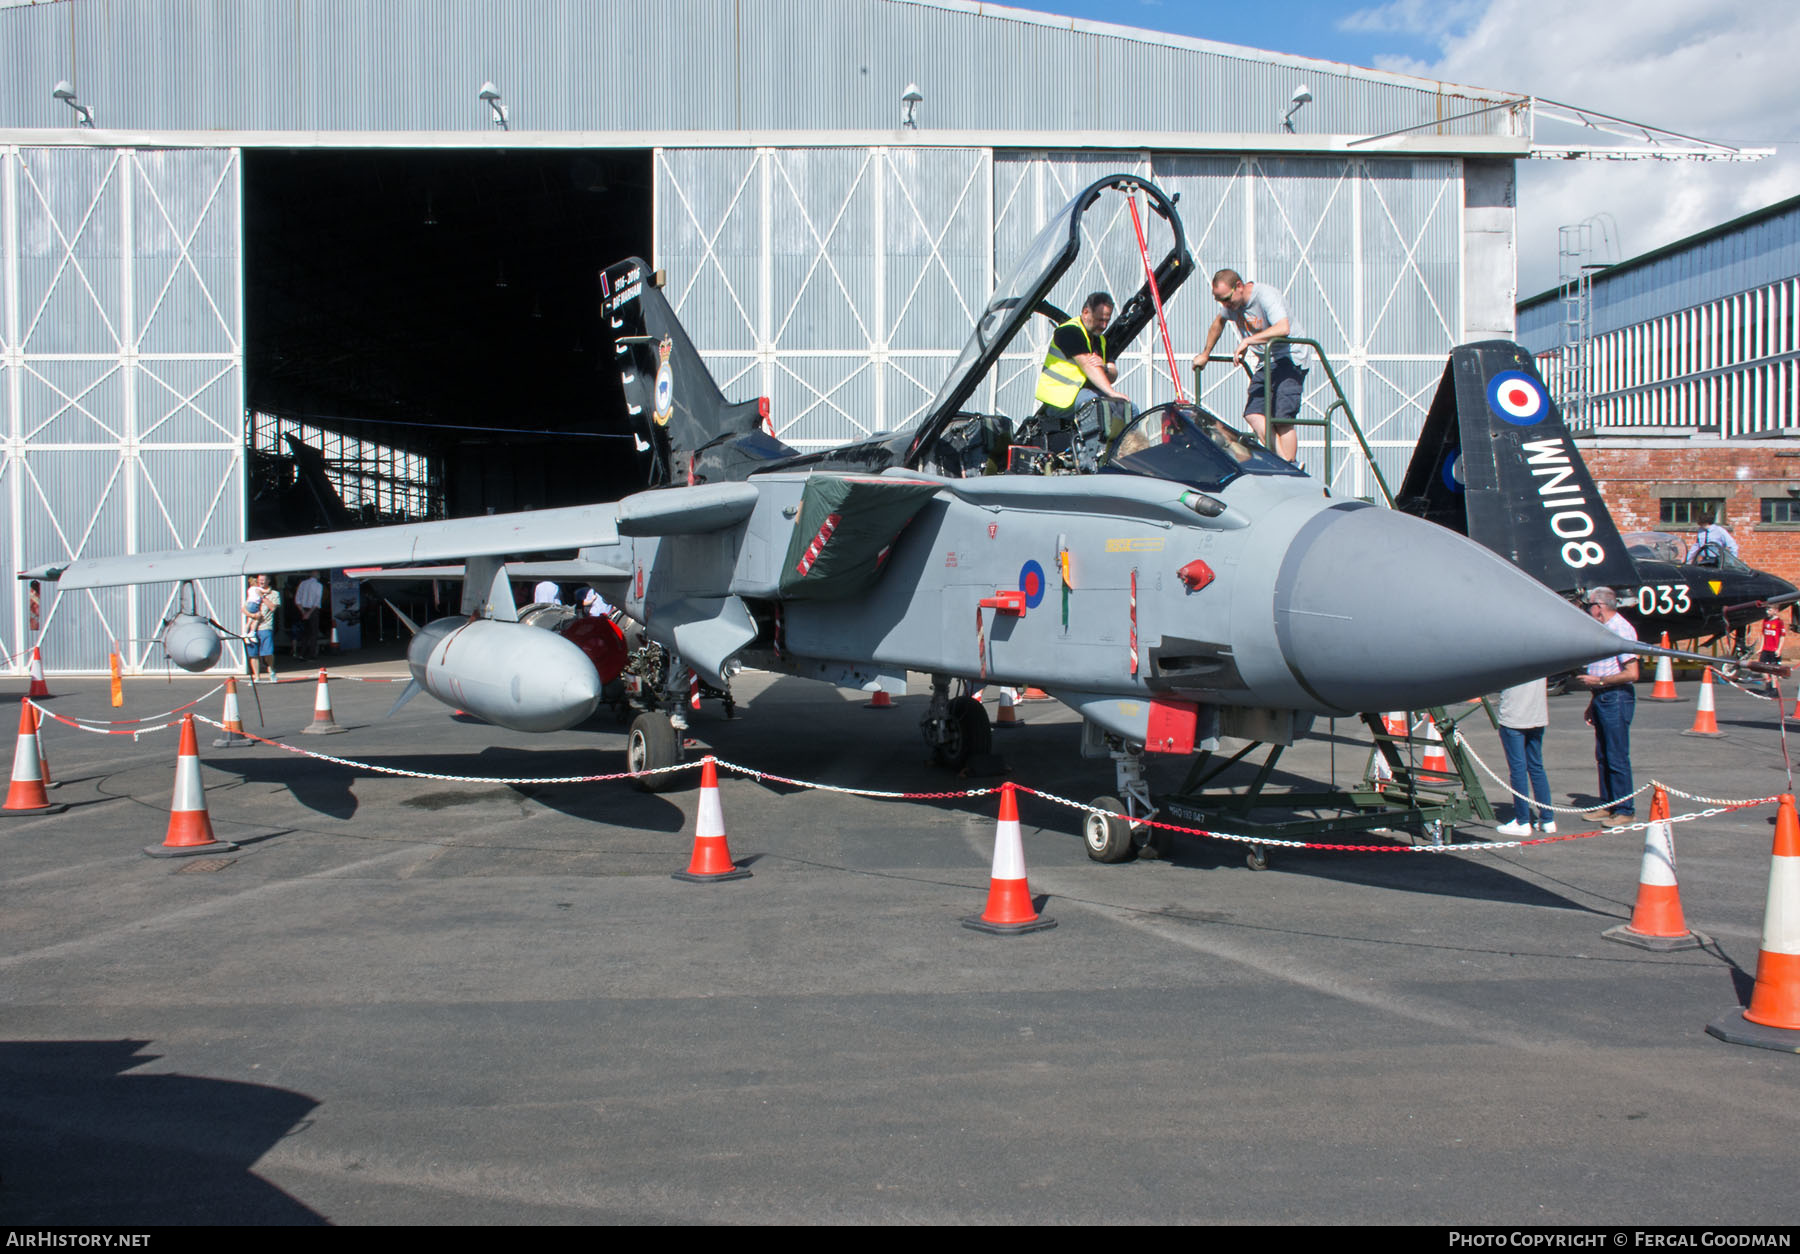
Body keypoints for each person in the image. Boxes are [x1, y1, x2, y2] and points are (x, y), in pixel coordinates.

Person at [1193, 269, 1308, 462]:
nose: (1225, 305)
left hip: (1290, 358)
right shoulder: (1231, 306)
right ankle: (1284, 462)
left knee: (1282, 417)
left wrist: (1248, 341)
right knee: (1253, 414)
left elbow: (1283, 328)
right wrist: (1206, 353)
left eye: (1226, 299)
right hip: (1268, 362)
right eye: (1220, 301)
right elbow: (1218, 324)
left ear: (1239, 286)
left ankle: (1291, 465)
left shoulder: (1265, 296)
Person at [1573, 586, 1639, 827]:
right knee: (1603, 755)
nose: (1588, 609)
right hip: (1602, 696)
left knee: (1616, 755)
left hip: (1616, 696)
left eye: (1590, 605)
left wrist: (1599, 681)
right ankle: (1607, 804)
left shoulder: (1621, 630)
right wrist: (1593, 699)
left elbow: (1632, 673)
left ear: (1599, 607)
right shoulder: (1605, 629)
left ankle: (1624, 808)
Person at [1034, 291, 1129, 418]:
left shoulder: (1100, 341)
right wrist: (1111, 392)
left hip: (1081, 395)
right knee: (1097, 406)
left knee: (1129, 408)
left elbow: (1112, 374)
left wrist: (1104, 367)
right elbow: (1087, 365)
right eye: (1100, 320)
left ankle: (1131, 438)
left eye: (1107, 320)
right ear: (1085, 313)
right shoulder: (1069, 331)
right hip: (1060, 399)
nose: (1104, 325)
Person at [1493, 677, 1554, 837]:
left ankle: (1522, 821)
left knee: (1518, 770)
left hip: (1514, 717)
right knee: (1536, 767)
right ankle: (1547, 819)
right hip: (1537, 715)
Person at [242, 573, 281, 683]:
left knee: (267, 652)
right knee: (253, 653)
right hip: (253, 628)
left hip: (265, 626)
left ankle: (271, 670)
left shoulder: (274, 594)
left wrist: (262, 596)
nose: (261, 582)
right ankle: (256, 676)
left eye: (263, 580)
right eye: (259, 580)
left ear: (268, 581)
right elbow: (244, 608)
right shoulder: (253, 590)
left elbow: (273, 607)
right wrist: (253, 616)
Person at [294, 570, 324, 661]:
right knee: (313, 633)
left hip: (303, 609)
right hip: (313, 610)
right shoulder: (319, 585)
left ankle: (302, 653)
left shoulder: (303, 583)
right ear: (317, 575)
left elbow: (297, 599)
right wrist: (309, 613)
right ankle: (312, 654)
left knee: (305, 633)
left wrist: (303, 612)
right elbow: (317, 601)